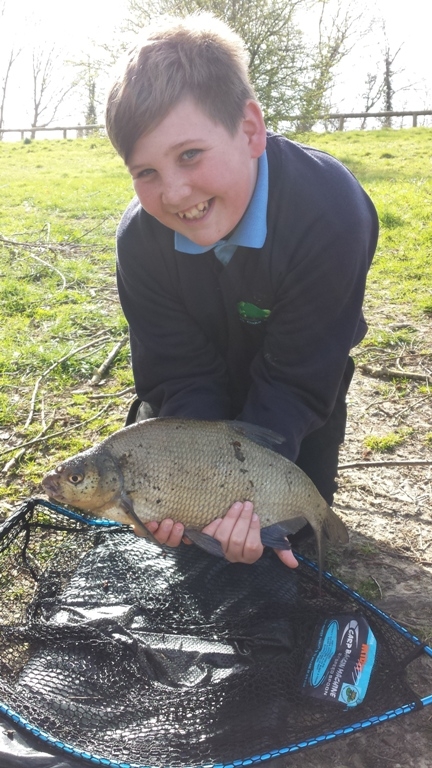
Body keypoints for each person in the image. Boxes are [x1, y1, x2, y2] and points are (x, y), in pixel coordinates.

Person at [105, 13, 378, 569]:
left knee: (288, 536)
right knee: (181, 539)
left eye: (189, 155)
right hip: (199, 386)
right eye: (146, 172)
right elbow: (178, 370)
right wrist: (191, 487)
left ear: (251, 129)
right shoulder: (140, 240)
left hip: (298, 385)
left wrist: (250, 498)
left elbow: (299, 373)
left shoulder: (330, 211)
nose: (175, 193)